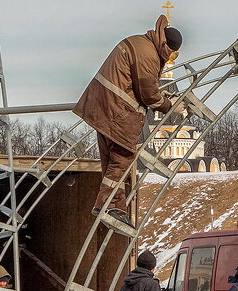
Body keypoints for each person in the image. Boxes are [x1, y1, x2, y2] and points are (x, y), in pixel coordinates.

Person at [73, 15, 182, 225]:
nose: (169, 58)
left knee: (112, 159)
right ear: (167, 47)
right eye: (171, 53)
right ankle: (106, 204)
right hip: (117, 111)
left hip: (101, 107)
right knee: (123, 157)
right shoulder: (149, 55)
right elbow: (149, 93)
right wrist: (171, 105)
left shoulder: (140, 42)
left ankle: (115, 206)